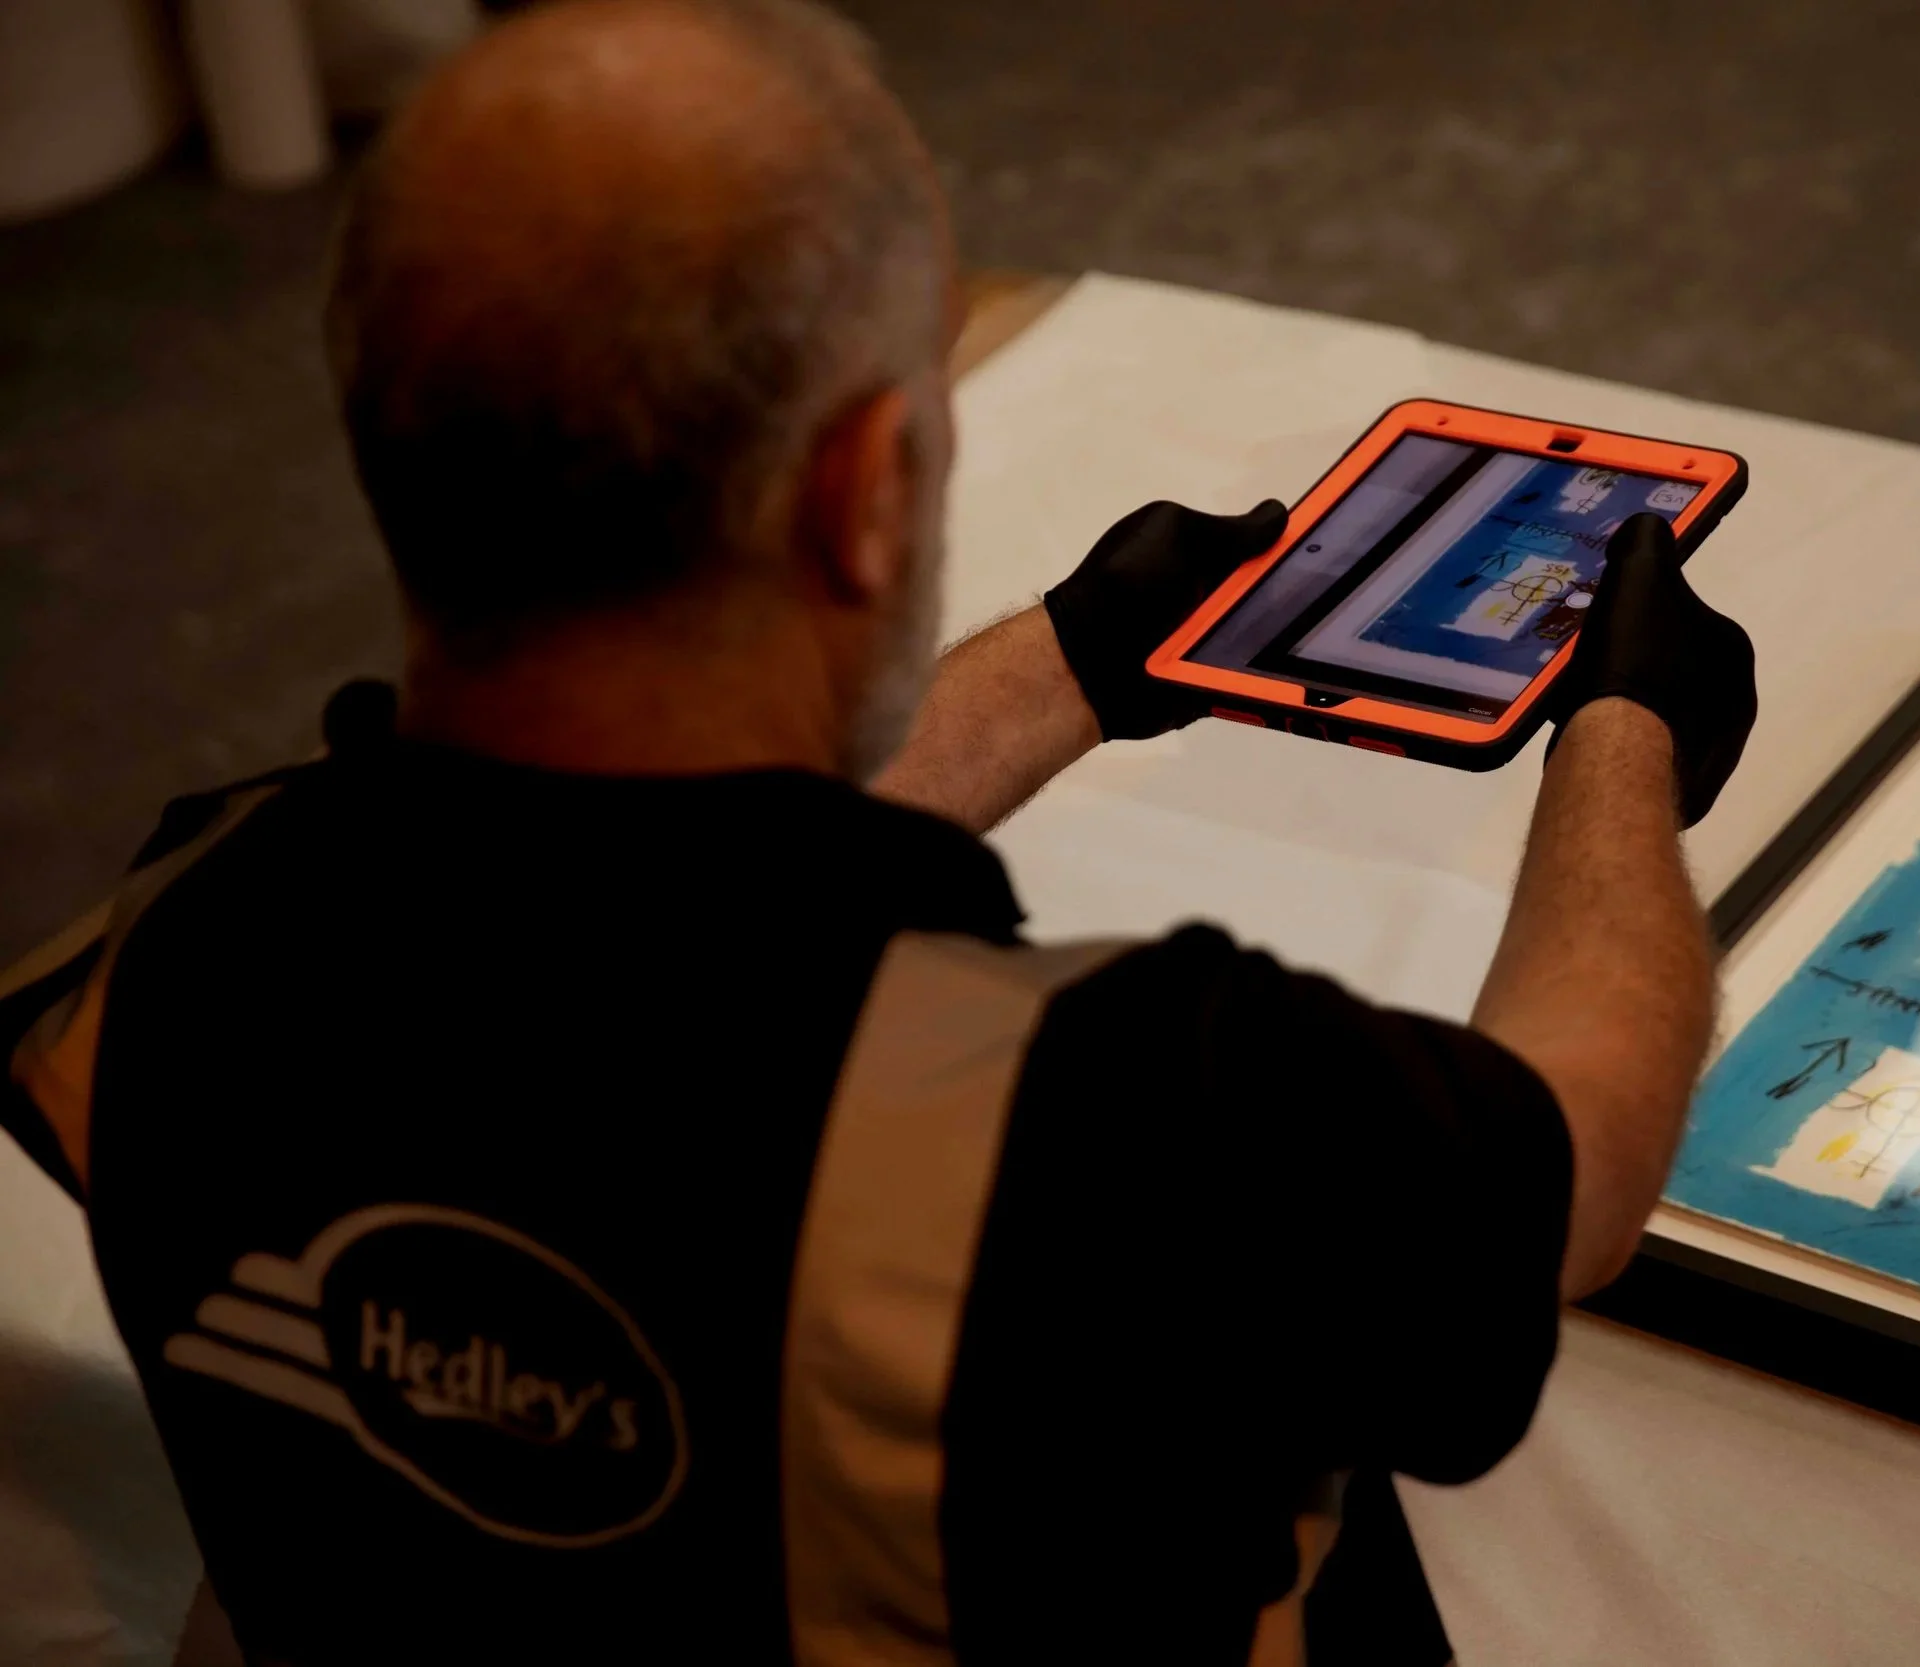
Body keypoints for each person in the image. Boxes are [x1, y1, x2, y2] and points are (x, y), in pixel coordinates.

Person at [0, 1, 1755, 1663]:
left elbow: (620, 967)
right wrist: (1624, 734)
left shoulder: (166, 941)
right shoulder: (1121, 1118)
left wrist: (1067, 665)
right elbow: (1564, 1170)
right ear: (867, 489)